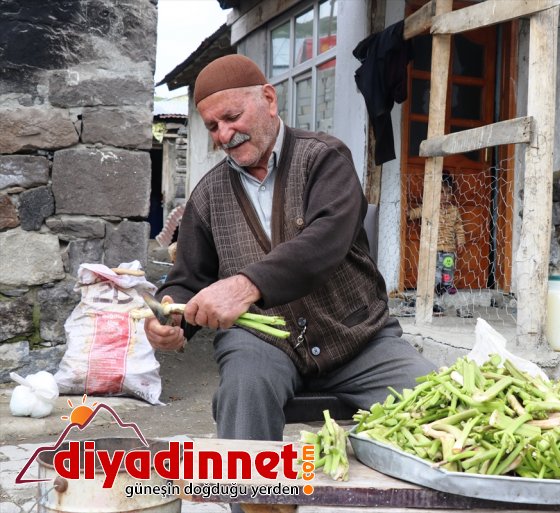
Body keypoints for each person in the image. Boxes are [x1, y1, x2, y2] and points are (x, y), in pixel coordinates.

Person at [144, 55, 436, 447]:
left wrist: (245, 286)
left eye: (232, 117)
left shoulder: (325, 158)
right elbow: (188, 280)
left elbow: (324, 242)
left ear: (269, 99)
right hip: (262, 342)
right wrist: (171, 319)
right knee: (243, 392)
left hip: (358, 337)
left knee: (434, 402)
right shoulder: (207, 195)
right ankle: (253, 488)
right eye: (213, 126)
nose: (224, 134)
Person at [407, 172, 466, 315]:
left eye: (448, 192)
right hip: (435, 250)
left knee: (447, 274)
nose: (445, 196)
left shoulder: (454, 210)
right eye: (441, 192)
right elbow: (417, 212)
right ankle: (434, 300)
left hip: (449, 251)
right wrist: (408, 214)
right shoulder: (431, 207)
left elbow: (459, 227)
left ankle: (443, 293)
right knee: (436, 275)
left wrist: (461, 241)